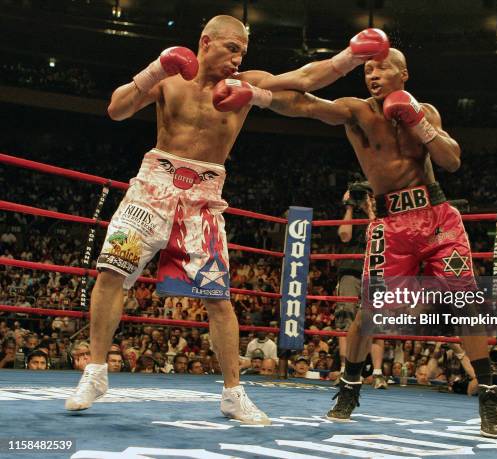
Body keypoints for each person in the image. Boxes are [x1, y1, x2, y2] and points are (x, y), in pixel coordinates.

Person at [64, 14, 390, 426]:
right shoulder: (169, 75)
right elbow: (117, 109)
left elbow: (306, 78)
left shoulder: (248, 82)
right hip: (151, 191)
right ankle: (95, 372)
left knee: (219, 300)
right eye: (232, 48)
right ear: (206, 42)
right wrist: (155, 70)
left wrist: (348, 56)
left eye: (242, 52)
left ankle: (233, 394)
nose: (238, 59)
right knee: (111, 273)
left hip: (203, 200)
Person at [222, 47, 497, 437]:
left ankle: (489, 396)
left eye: (382, 68)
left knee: (465, 303)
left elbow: (452, 160)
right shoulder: (356, 111)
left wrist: (418, 122)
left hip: (438, 219)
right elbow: (307, 106)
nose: (372, 74)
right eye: (368, 69)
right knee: (370, 312)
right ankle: (350, 387)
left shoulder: (426, 111)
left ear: (403, 74)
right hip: (391, 226)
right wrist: (259, 95)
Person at [336, 181, 387, 389]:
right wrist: (349, 206)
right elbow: (344, 235)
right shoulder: (352, 215)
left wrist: (369, 209)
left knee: (375, 321)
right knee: (345, 315)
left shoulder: (383, 215)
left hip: (375, 271)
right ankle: (344, 370)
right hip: (350, 270)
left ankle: (376, 373)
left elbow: (380, 235)